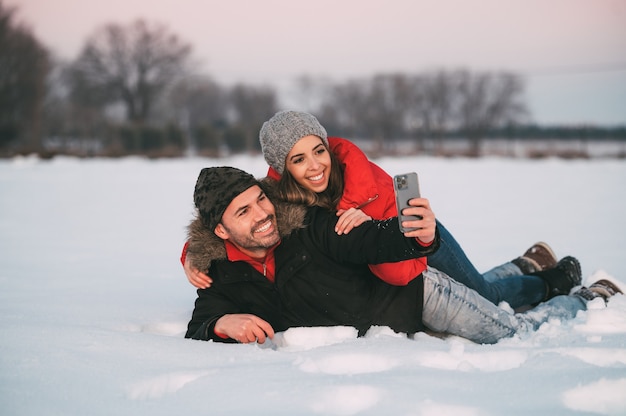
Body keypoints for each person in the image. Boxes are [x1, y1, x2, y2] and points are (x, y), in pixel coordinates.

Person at [183, 110, 576, 310]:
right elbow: (230, 217)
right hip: (393, 256)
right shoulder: (275, 196)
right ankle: (525, 264)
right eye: (299, 159)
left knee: (484, 294)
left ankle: (550, 281)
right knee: (474, 286)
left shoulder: (369, 185)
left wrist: (374, 233)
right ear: (284, 168)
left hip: (422, 241)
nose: (315, 166)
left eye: (319, 151)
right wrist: (192, 256)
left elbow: (405, 272)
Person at [184, 166, 621, 344]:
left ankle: (587, 298)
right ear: (221, 230)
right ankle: (523, 268)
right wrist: (220, 322)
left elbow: (368, 240)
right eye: (245, 211)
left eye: (261, 200)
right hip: (397, 317)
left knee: (514, 332)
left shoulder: (306, 226)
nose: (263, 215)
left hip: (421, 295)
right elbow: (198, 324)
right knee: (487, 291)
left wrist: (415, 236)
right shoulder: (223, 275)